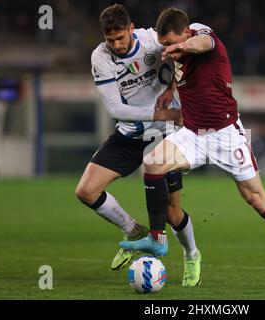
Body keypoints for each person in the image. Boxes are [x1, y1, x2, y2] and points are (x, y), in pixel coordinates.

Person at [120, 7, 265, 291]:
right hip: (192, 133)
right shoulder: (176, 52)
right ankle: (157, 238)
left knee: (257, 199)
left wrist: (182, 46)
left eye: (171, 44)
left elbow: (203, 43)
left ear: (185, 33)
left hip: (227, 135)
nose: (168, 51)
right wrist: (170, 91)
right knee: (152, 164)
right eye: (164, 45)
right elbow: (184, 72)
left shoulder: (202, 35)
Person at [75, 4, 202, 286]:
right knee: (86, 191)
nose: (117, 45)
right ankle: (133, 231)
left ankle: (191, 254)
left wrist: (172, 90)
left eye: (121, 38)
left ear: (132, 29)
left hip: (164, 135)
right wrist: (160, 112)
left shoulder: (152, 39)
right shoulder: (101, 56)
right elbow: (115, 108)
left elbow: (183, 56)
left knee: (172, 212)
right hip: (131, 134)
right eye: (111, 40)